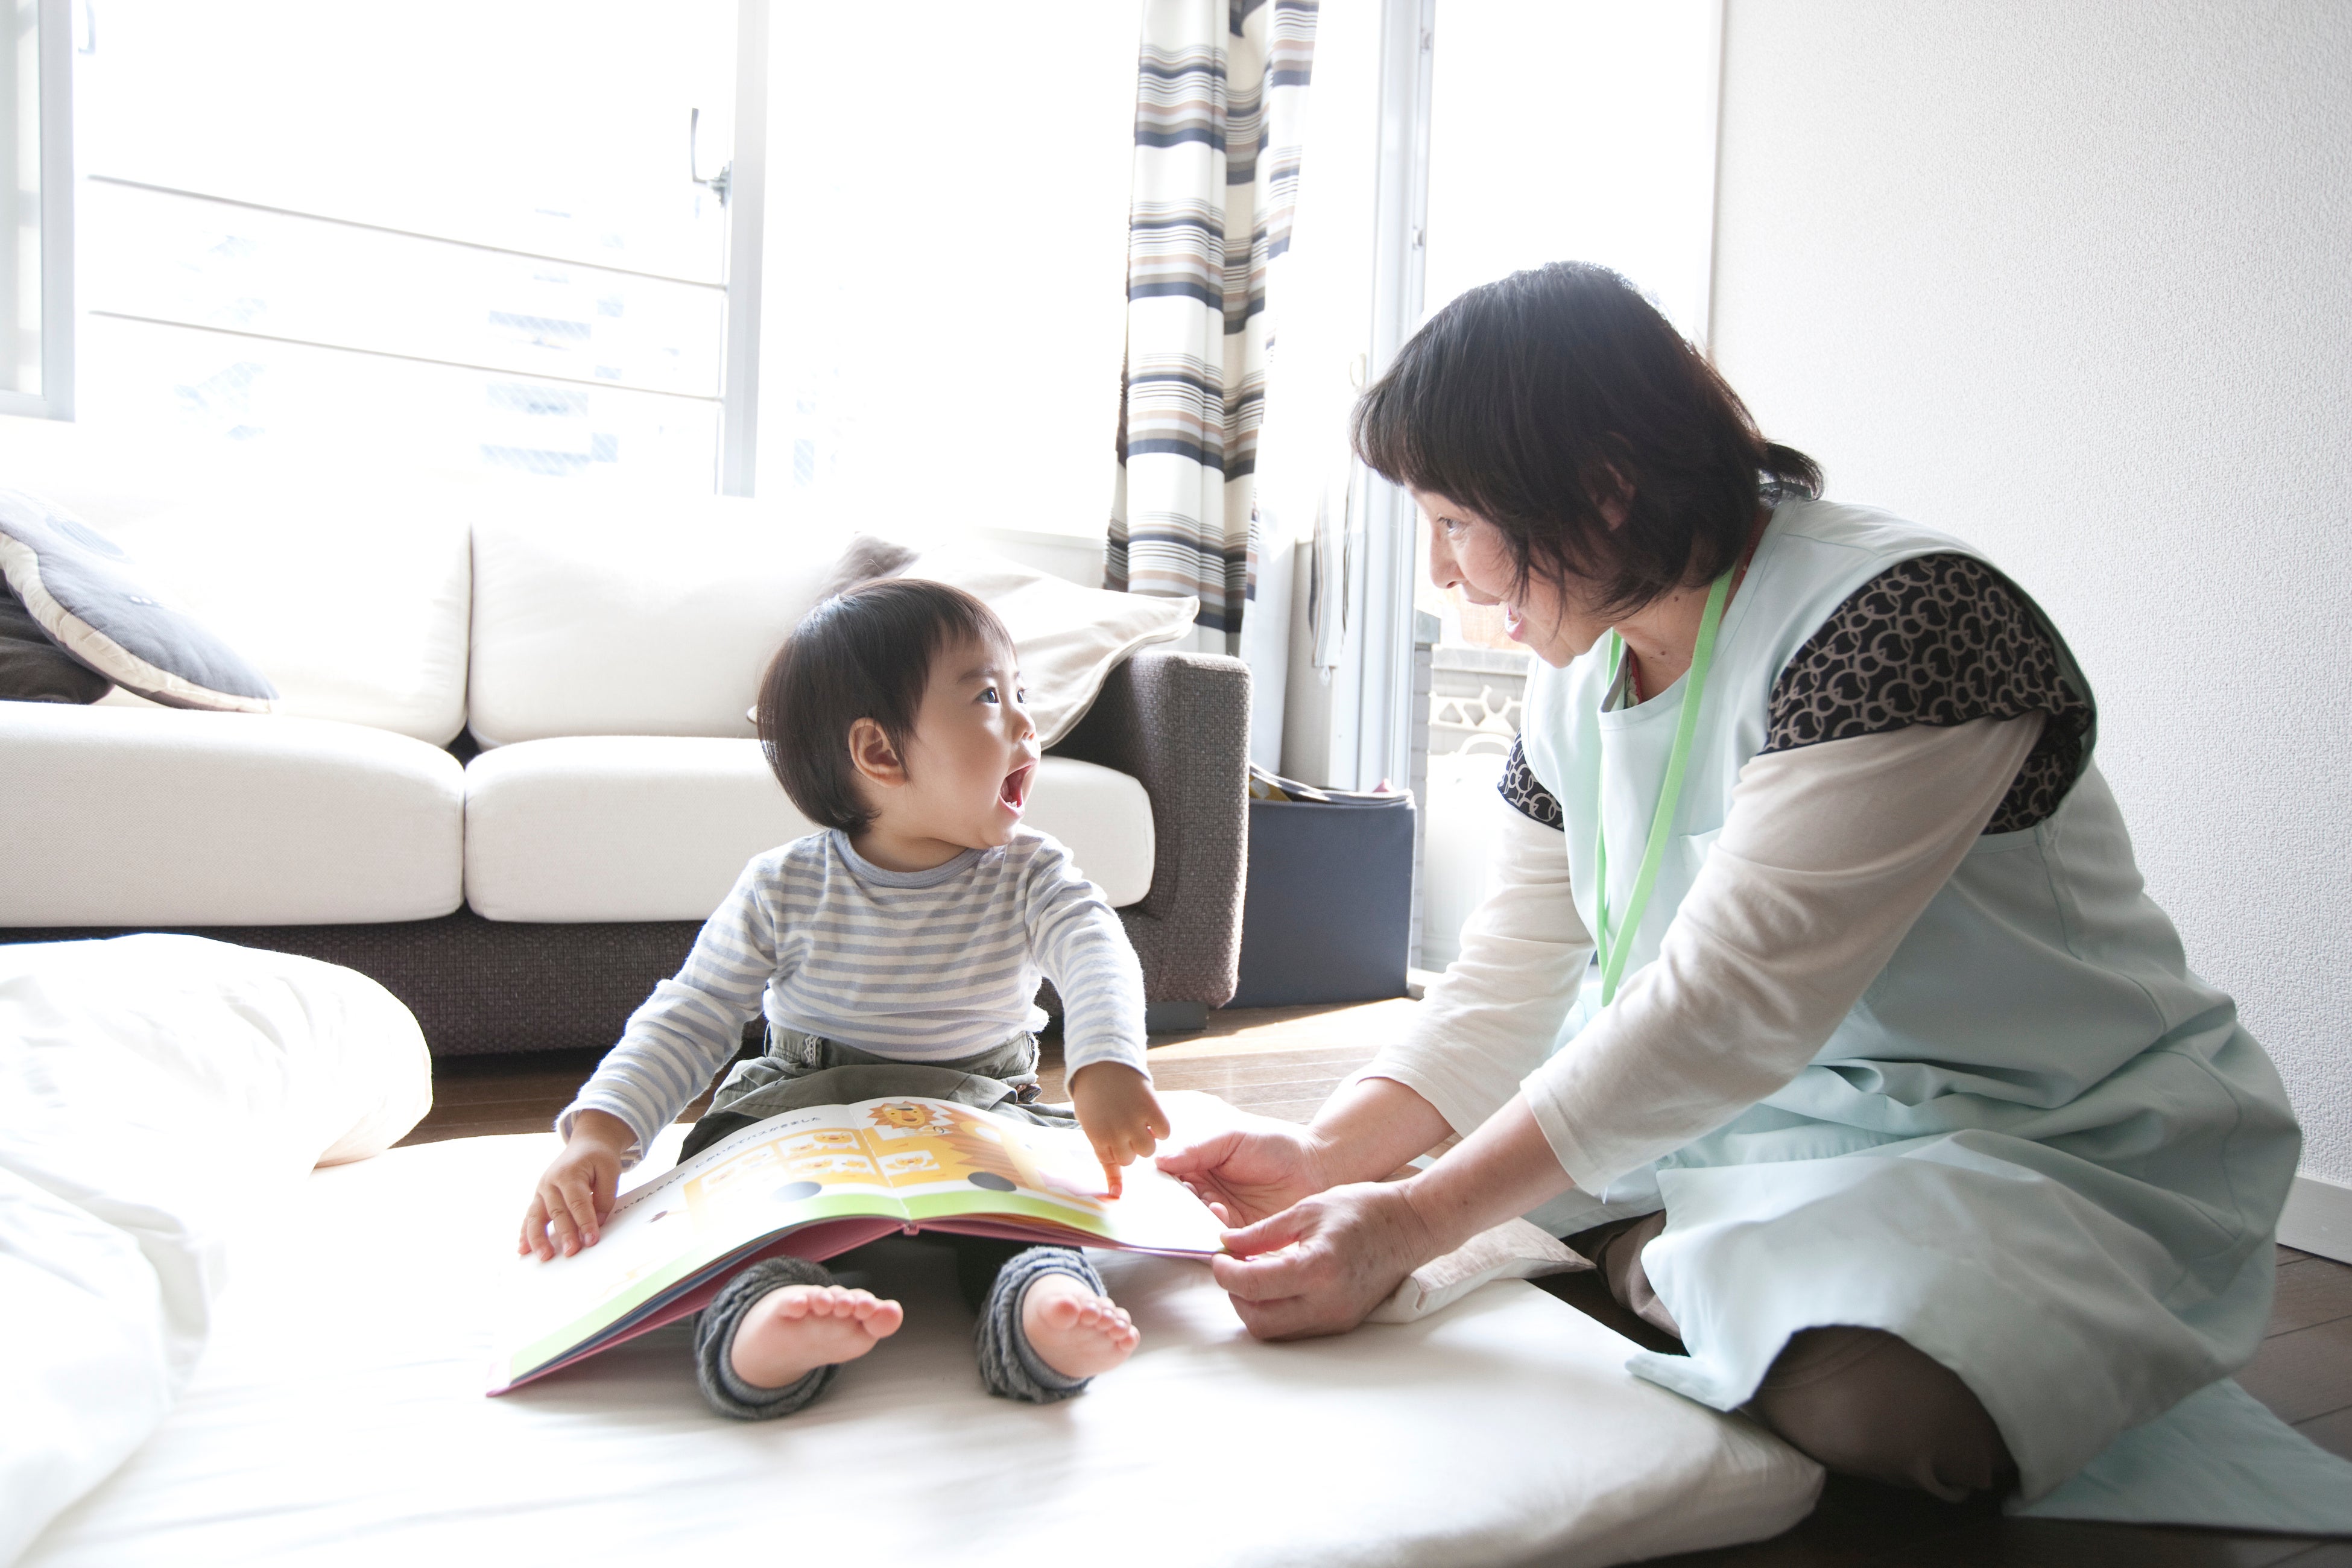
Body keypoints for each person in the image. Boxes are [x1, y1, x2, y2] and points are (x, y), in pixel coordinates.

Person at [1160, 262, 2300, 1502]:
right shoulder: (1578, 669)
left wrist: (1418, 1219)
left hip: (2022, 1136)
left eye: (1454, 523)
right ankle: (1663, 1258)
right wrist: (1329, 1155)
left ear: (1603, 491)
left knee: (1894, 1410)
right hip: (1750, 1121)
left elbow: (1731, 1002)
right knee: (1541, 1207)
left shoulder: (1903, 617)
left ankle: (1650, 1257)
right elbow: (1508, 980)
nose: (1443, 575)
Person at [519, 577, 1171, 1418]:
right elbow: (693, 1012)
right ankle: (767, 1318)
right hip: (801, 1110)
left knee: (1033, 1218)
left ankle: (1045, 1302)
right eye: (988, 697)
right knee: (745, 1221)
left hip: (977, 1111)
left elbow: (1095, 950)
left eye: (1021, 693)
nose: (1025, 723)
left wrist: (1107, 1062)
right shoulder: (784, 884)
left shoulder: (1032, 872)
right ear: (880, 754)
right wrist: (602, 1134)